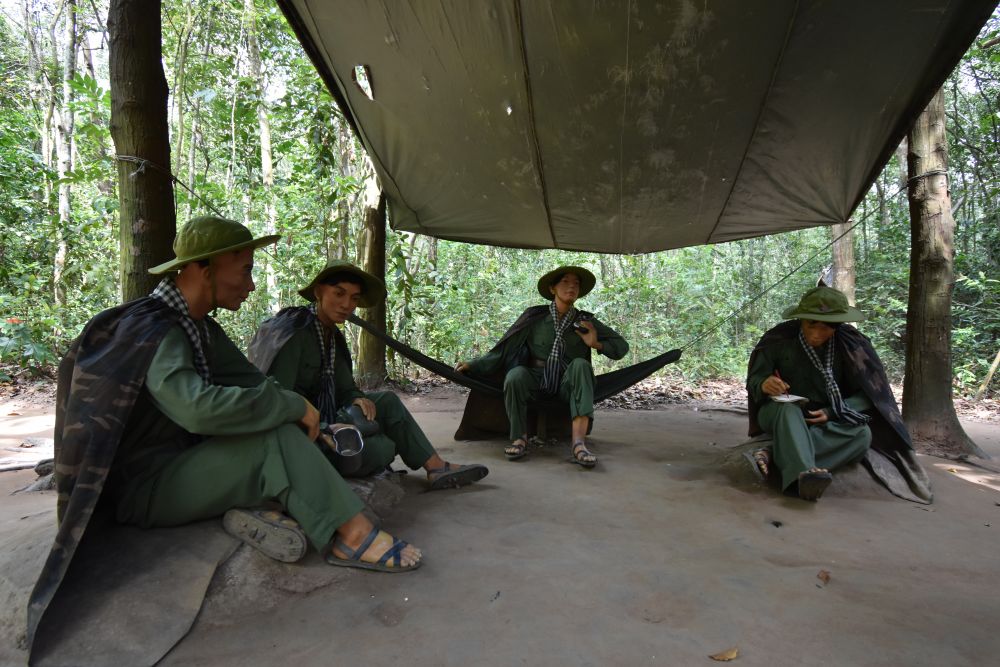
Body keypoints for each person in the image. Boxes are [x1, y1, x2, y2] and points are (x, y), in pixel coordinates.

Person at [33, 216, 423, 612]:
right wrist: (289, 406)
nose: (251, 285)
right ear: (206, 268)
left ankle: (270, 509)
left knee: (292, 433)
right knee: (276, 439)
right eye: (246, 270)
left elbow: (255, 383)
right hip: (143, 489)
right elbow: (198, 411)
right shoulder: (157, 329)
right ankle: (352, 536)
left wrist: (308, 418)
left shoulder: (200, 329)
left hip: (185, 464)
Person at [247, 259, 488, 490]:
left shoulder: (333, 336)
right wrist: (325, 426)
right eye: (339, 294)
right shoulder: (296, 331)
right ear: (319, 292)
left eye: (354, 298)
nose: (347, 305)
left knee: (388, 403)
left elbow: (344, 386)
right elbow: (279, 398)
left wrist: (355, 397)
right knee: (383, 448)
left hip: (332, 415)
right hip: (303, 431)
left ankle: (436, 468)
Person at [746, 286, 926, 502]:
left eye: (826, 328)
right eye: (811, 324)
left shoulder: (852, 345)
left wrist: (831, 412)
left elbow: (872, 394)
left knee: (862, 435)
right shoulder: (778, 339)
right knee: (788, 409)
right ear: (800, 319)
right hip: (780, 412)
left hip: (825, 415)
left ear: (837, 326)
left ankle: (775, 454)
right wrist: (765, 384)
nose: (816, 334)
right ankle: (799, 481)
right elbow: (754, 381)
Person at [456, 266, 628, 467]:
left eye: (576, 283)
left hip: (568, 383)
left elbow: (621, 347)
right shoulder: (534, 318)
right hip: (535, 379)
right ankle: (519, 439)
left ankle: (579, 444)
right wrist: (473, 364)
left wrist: (595, 343)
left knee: (581, 365)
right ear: (552, 288)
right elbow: (503, 350)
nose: (571, 286)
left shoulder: (585, 322)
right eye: (565, 281)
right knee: (515, 375)